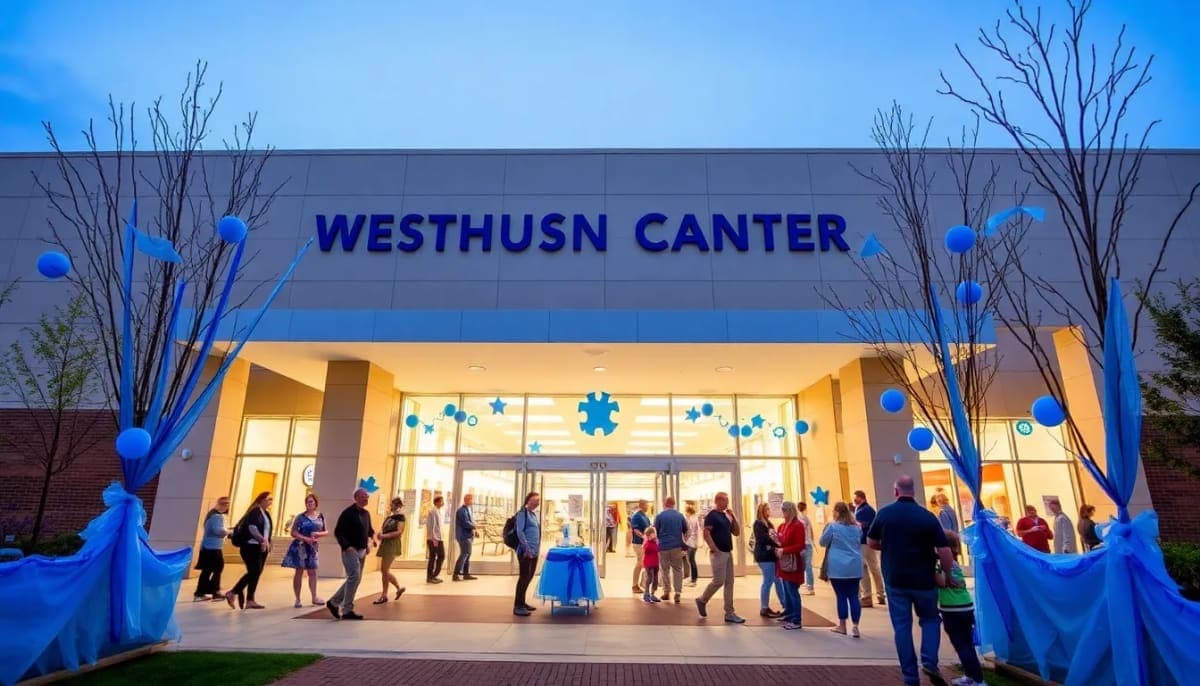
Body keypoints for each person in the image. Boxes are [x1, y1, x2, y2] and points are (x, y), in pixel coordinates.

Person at [866, 475, 958, 686]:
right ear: (914, 491)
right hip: (924, 579)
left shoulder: (885, 514)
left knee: (902, 627)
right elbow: (944, 549)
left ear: (895, 491)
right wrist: (948, 574)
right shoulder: (927, 516)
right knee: (931, 620)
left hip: (896, 579)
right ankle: (930, 661)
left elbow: (871, 541)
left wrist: (888, 546)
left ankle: (910, 677)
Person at [937, 530, 985, 686]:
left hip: (952, 609)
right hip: (965, 606)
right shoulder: (955, 562)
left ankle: (977, 680)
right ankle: (972, 676)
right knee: (967, 643)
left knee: (961, 645)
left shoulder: (942, 564)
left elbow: (941, 582)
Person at [326, 487, 376, 621]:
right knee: (354, 576)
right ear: (356, 498)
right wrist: (347, 546)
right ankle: (347, 609)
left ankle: (334, 602)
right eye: (363, 496)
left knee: (355, 579)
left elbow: (369, 531)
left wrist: (371, 541)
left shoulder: (366, 514)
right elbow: (338, 532)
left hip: (362, 550)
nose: (366, 498)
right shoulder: (348, 513)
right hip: (350, 550)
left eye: (367, 496)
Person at [695, 491, 745, 624]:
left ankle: (729, 612)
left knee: (729, 582)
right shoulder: (712, 516)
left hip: (728, 552)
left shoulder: (725, 516)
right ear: (718, 501)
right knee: (718, 581)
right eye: (725, 500)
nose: (727, 503)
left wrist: (733, 517)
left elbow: (736, 532)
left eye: (727, 501)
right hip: (719, 553)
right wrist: (714, 549)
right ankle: (702, 600)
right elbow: (706, 533)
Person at [820, 501, 864, 638]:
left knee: (841, 596)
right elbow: (859, 541)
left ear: (837, 512)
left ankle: (842, 626)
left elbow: (822, 542)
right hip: (855, 565)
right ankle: (855, 626)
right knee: (854, 596)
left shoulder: (833, 527)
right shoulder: (857, 528)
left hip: (838, 566)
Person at [226, 491, 273, 610]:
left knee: (256, 573)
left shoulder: (265, 513)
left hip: (262, 548)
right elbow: (252, 528)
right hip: (251, 547)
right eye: (269, 499)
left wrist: (267, 543)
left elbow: (267, 531)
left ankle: (250, 600)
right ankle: (233, 592)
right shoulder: (255, 512)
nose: (271, 501)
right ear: (261, 500)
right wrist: (262, 541)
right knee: (254, 572)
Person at [281, 493, 328, 608]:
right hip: (301, 547)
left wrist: (318, 534)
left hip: (313, 548)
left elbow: (326, 531)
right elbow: (293, 532)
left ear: (316, 503)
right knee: (299, 571)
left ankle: (314, 597)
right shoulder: (300, 517)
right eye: (307, 502)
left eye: (311, 501)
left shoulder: (320, 516)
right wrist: (304, 538)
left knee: (312, 572)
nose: (309, 504)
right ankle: (297, 599)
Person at [774, 501, 807, 630]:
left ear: (790, 510)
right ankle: (789, 613)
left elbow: (800, 545)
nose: (783, 512)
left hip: (793, 562)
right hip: (783, 562)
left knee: (792, 590)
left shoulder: (797, 525)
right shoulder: (782, 526)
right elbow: (780, 541)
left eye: (785, 510)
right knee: (786, 590)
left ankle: (796, 619)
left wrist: (784, 550)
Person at [194, 496, 231, 601]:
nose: (225, 505)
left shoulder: (213, 515)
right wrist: (230, 532)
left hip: (209, 546)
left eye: (227, 503)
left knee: (208, 570)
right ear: (217, 504)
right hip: (213, 547)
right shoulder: (216, 516)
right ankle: (215, 591)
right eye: (223, 503)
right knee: (218, 567)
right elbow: (218, 531)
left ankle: (200, 593)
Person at [853, 489, 886, 608]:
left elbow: (864, 525)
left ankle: (868, 596)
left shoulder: (865, 510)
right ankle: (879, 594)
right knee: (872, 568)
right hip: (866, 542)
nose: (854, 500)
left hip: (865, 542)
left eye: (855, 497)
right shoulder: (863, 509)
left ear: (861, 497)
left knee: (867, 568)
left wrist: (857, 525)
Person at [653, 496, 688, 603]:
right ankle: (677, 592)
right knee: (677, 569)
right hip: (676, 546)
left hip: (663, 546)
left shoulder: (659, 516)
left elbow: (655, 531)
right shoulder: (680, 516)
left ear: (665, 503)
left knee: (665, 570)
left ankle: (666, 592)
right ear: (674, 504)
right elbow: (685, 530)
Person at [752, 502, 784, 618]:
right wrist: (777, 544)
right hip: (764, 556)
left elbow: (773, 536)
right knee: (768, 581)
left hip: (771, 555)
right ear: (762, 511)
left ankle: (785, 604)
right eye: (767, 509)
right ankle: (764, 607)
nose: (769, 511)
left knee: (777, 580)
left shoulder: (768, 523)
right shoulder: (758, 524)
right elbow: (763, 539)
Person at [513, 491, 542, 617]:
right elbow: (520, 532)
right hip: (526, 552)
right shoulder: (522, 514)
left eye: (538, 501)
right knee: (523, 578)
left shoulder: (533, 514)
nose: (537, 503)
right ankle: (517, 606)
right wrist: (527, 549)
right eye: (535, 500)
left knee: (528, 577)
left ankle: (522, 602)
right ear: (528, 501)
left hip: (534, 552)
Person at [374, 497, 407, 604]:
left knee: (384, 570)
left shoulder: (400, 517)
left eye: (393, 504)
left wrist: (384, 536)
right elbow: (384, 529)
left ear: (398, 505)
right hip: (385, 544)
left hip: (392, 544)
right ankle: (394, 590)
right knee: (384, 570)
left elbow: (399, 532)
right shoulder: (390, 517)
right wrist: (380, 535)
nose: (391, 506)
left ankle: (386, 594)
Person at [453, 494, 478, 581]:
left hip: (468, 535)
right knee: (464, 554)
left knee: (468, 554)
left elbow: (471, 522)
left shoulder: (468, 509)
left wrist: (475, 530)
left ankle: (466, 574)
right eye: (471, 500)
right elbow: (465, 523)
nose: (472, 501)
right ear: (467, 500)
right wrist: (475, 526)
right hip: (463, 536)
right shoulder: (461, 511)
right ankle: (456, 574)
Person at [630, 499, 651, 594]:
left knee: (643, 563)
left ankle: (641, 583)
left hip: (644, 543)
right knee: (640, 563)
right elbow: (635, 530)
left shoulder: (644, 516)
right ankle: (635, 585)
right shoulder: (637, 516)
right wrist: (643, 537)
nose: (648, 507)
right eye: (646, 505)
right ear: (641, 505)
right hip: (638, 543)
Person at [797, 501, 816, 595]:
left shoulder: (798, 518)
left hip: (802, 545)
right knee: (807, 566)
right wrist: (812, 541)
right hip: (808, 544)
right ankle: (810, 587)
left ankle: (803, 585)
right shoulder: (806, 518)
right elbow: (811, 531)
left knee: (802, 566)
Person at [426, 495, 446, 583]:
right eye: (442, 501)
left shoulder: (438, 511)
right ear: (437, 502)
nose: (443, 503)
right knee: (433, 557)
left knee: (441, 556)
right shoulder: (432, 511)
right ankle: (430, 577)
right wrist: (434, 539)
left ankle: (434, 575)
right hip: (434, 539)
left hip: (439, 538)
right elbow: (431, 527)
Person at [641, 526, 662, 603]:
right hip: (649, 563)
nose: (655, 535)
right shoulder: (647, 543)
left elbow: (658, 551)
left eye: (655, 533)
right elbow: (644, 551)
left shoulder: (656, 542)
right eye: (653, 533)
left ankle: (653, 593)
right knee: (649, 578)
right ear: (649, 535)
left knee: (655, 579)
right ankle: (646, 594)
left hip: (655, 563)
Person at [683, 503, 701, 586]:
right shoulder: (695, 518)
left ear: (688, 512)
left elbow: (689, 531)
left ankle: (693, 579)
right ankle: (693, 578)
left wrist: (685, 539)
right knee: (691, 561)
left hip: (690, 542)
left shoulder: (690, 519)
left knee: (691, 561)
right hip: (694, 542)